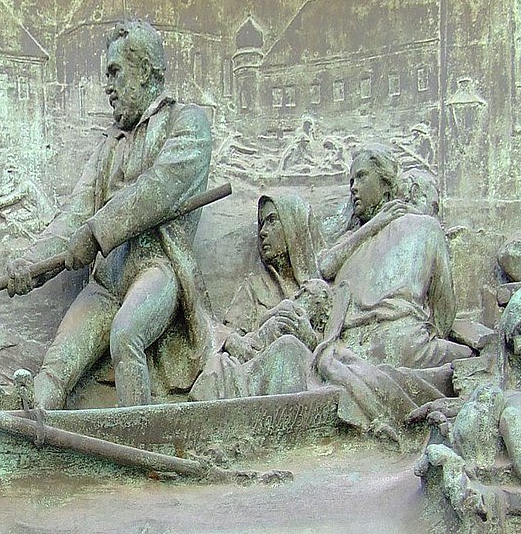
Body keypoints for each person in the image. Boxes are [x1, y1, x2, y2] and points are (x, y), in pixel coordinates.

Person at [7, 20, 214, 408]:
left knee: (126, 334)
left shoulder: (187, 123)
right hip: (107, 280)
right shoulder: (110, 145)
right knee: (57, 365)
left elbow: (159, 189)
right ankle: (24, 425)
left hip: (158, 268)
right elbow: (75, 213)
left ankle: (137, 433)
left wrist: (96, 232)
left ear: (145, 70)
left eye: (115, 72)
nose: (108, 86)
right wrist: (32, 264)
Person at [318, 143, 472, 369]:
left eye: (361, 177)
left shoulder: (418, 227)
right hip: (400, 343)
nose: (353, 187)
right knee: (470, 357)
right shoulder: (426, 227)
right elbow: (444, 311)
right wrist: (375, 224)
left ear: (385, 183)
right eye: (351, 181)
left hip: (350, 350)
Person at [190, 194, 328, 401]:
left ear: (293, 225)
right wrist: (234, 342)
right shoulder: (254, 286)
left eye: (272, 221)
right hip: (256, 366)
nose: (263, 232)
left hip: (299, 371)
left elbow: (337, 344)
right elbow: (230, 333)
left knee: (289, 348)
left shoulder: (320, 290)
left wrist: (308, 337)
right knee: (221, 366)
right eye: (262, 223)